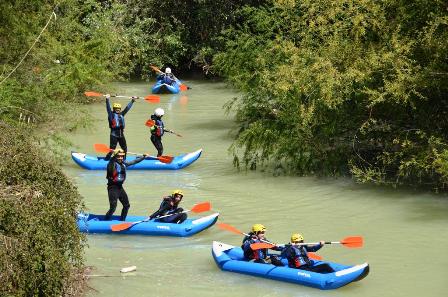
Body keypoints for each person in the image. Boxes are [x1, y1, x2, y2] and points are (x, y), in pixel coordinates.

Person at [104, 149, 146, 221]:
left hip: (120, 188)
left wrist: (143, 157)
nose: (120, 158)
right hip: (112, 188)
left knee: (127, 206)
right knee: (113, 208)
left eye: (122, 156)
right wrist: (112, 153)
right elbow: (110, 163)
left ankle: (122, 220)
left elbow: (134, 161)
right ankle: (106, 220)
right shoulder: (111, 164)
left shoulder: (124, 164)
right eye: (118, 156)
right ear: (115, 156)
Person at [104, 94, 136, 160]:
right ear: (114, 109)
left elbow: (127, 108)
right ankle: (106, 159)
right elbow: (108, 108)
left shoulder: (121, 114)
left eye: (119, 109)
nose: (118, 110)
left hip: (121, 134)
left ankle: (124, 160)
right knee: (112, 149)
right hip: (113, 135)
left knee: (124, 148)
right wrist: (107, 99)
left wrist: (132, 101)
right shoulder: (111, 115)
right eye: (116, 109)